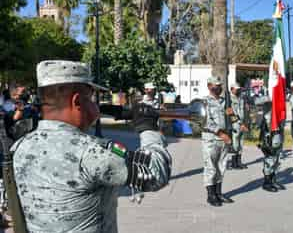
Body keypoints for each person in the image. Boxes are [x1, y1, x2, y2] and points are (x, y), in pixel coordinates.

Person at [11, 60, 172, 233]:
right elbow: (156, 173)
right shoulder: (93, 152)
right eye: (92, 98)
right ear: (77, 101)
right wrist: (148, 128)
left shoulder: (19, 147)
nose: (96, 105)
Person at [202, 76, 233, 207]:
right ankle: (211, 195)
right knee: (211, 167)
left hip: (224, 138)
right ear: (209, 86)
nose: (218, 88)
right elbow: (205, 121)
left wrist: (233, 118)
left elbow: (231, 117)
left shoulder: (224, 101)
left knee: (221, 167)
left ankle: (219, 193)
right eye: (215, 85)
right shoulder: (204, 102)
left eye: (220, 86)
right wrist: (220, 133)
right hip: (211, 139)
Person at [256, 96, 286, 192]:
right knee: (269, 159)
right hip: (268, 136)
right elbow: (257, 102)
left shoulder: (276, 108)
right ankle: (267, 182)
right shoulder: (265, 109)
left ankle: (273, 180)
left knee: (277, 158)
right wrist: (269, 99)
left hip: (278, 135)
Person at [229, 83, 248, 169]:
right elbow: (231, 113)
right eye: (236, 89)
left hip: (242, 123)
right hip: (235, 124)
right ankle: (234, 163)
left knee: (241, 143)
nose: (238, 90)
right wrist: (241, 123)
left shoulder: (241, 98)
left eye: (238, 89)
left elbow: (244, 110)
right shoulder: (229, 99)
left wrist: (245, 123)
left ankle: (239, 162)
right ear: (232, 89)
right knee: (235, 144)